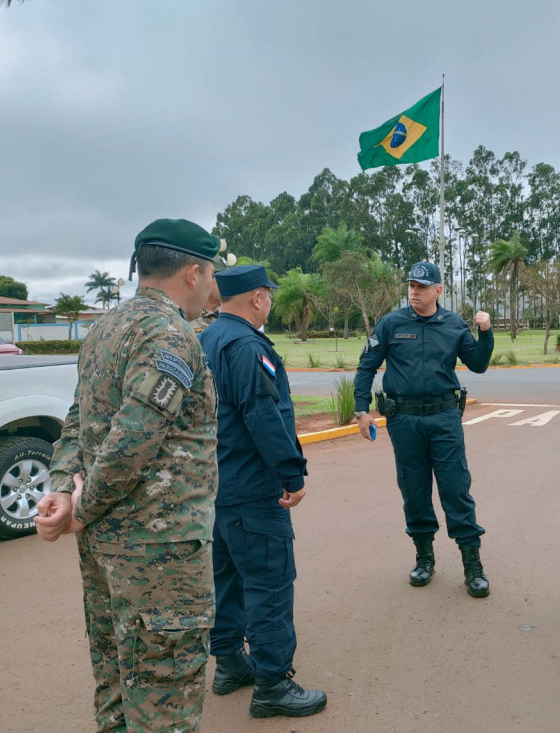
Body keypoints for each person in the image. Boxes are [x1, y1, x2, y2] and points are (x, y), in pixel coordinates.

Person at [35, 218, 221, 733]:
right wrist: (81, 508)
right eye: (209, 276)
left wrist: (62, 490)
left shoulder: (104, 329)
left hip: (106, 549)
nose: (210, 288)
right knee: (164, 699)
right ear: (192, 272)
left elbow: (78, 423)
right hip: (159, 553)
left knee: (118, 686)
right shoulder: (169, 335)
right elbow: (130, 441)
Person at [198, 264, 327, 719]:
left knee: (228, 579)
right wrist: (292, 474)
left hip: (216, 487)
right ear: (256, 298)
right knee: (269, 583)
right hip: (252, 488)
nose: (270, 301)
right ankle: (272, 683)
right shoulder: (248, 346)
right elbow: (263, 416)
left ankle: (230, 663)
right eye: (268, 295)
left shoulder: (207, 339)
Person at [354, 261, 494, 597]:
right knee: (413, 489)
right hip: (404, 420)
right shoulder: (391, 324)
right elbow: (366, 366)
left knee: (456, 487)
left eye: (421, 286)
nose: (414, 292)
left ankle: (472, 563)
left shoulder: (453, 324)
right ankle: (424, 557)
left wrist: (486, 333)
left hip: (445, 418)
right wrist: (362, 410)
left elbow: (477, 364)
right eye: (411, 286)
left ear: (438, 291)